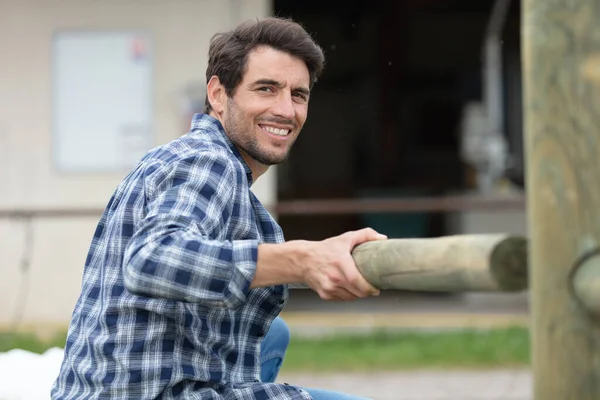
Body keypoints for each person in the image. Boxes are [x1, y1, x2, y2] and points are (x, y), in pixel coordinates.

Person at [51, 16, 385, 400]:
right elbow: (151, 258)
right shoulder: (210, 161)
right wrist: (303, 259)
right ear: (218, 94)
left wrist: (331, 256)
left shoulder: (185, 158)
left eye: (298, 94)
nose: (286, 110)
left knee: (272, 335)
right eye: (266, 88)